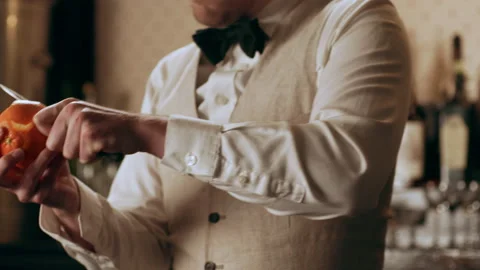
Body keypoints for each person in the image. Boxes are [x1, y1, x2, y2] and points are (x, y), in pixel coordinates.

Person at [0, 0, 412, 269]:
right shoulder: (170, 72)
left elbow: (347, 175)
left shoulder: (357, 20)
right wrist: (68, 201)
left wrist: (150, 132)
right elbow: (150, 252)